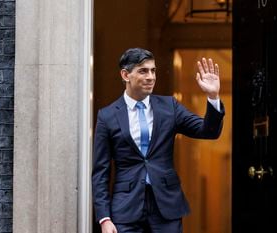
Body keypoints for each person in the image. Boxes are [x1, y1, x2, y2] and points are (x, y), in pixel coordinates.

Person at [92, 48, 225, 233]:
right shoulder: (107, 116)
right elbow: (100, 172)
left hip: (166, 206)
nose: (151, 77)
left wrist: (212, 97)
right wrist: (104, 218)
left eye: (153, 70)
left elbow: (208, 131)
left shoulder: (169, 107)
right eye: (143, 71)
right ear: (125, 74)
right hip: (126, 209)